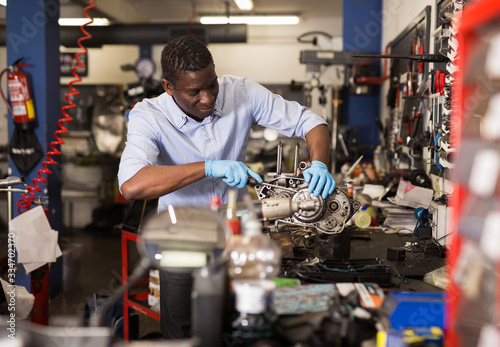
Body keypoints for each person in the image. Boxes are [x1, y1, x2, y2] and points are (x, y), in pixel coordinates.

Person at [118, 36, 336, 339]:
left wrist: (319, 164)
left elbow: (311, 122)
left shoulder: (242, 92)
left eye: (212, 85)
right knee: (182, 332)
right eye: (194, 92)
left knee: (239, 324)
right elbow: (132, 184)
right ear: (169, 87)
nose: (207, 98)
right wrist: (209, 167)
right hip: (181, 241)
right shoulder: (149, 115)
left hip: (235, 236)